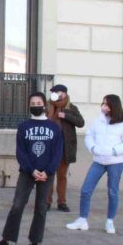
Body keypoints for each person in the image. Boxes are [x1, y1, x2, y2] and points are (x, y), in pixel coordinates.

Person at [0, 92, 63, 245]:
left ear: (44, 105)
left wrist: (48, 171)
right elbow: (21, 151)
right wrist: (31, 170)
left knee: (41, 208)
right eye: (33, 102)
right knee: (17, 206)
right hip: (27, 172)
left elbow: (57, 153)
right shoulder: (24, 126)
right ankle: (6, 239)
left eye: (39, 102)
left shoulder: (54, 127)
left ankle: (35, 242)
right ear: (29, 105)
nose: (36, 105)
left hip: (47, 173)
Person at [66, 94, 123, 234]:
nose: (103, 106)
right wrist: (93, 148)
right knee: (86, 189)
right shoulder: (98, 121)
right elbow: (89, 136)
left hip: (115, 162)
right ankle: (82, 220)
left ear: (114, 107)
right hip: (98, 161)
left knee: (112, 192)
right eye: (103, 103)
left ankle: (110, 221)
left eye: (107, 104)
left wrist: (114, 151)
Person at [46, 84, 84, 212]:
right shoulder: (48, 106)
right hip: (49, 146)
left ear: (65, 93)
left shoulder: (71, 107)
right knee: (48, 174)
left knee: (62, 176)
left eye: (59, 92)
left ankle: (62, 202)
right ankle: (46, 201)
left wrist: (66, 116)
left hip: (64, 147)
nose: (57, 94)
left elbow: (80, 122)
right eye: (54, 92)